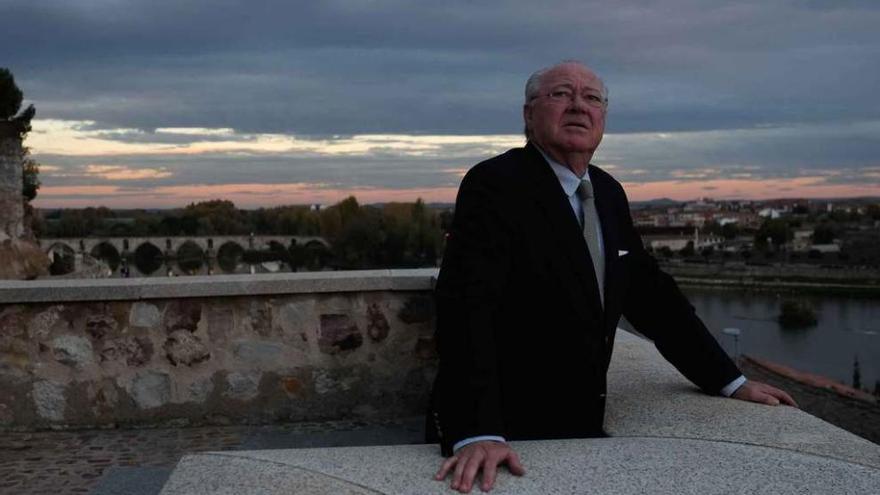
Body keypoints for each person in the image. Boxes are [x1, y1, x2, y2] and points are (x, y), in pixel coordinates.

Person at [427, 61, 797, 494]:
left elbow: (652, 297)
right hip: (510, 432)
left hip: (579, 423)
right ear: (528, 114)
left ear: (603, 118)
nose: (578, 107)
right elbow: (465, 306)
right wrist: (478, 431)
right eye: (560, 94)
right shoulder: (495, 184)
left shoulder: (606, 192)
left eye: (592, 98)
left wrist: (727, 380)